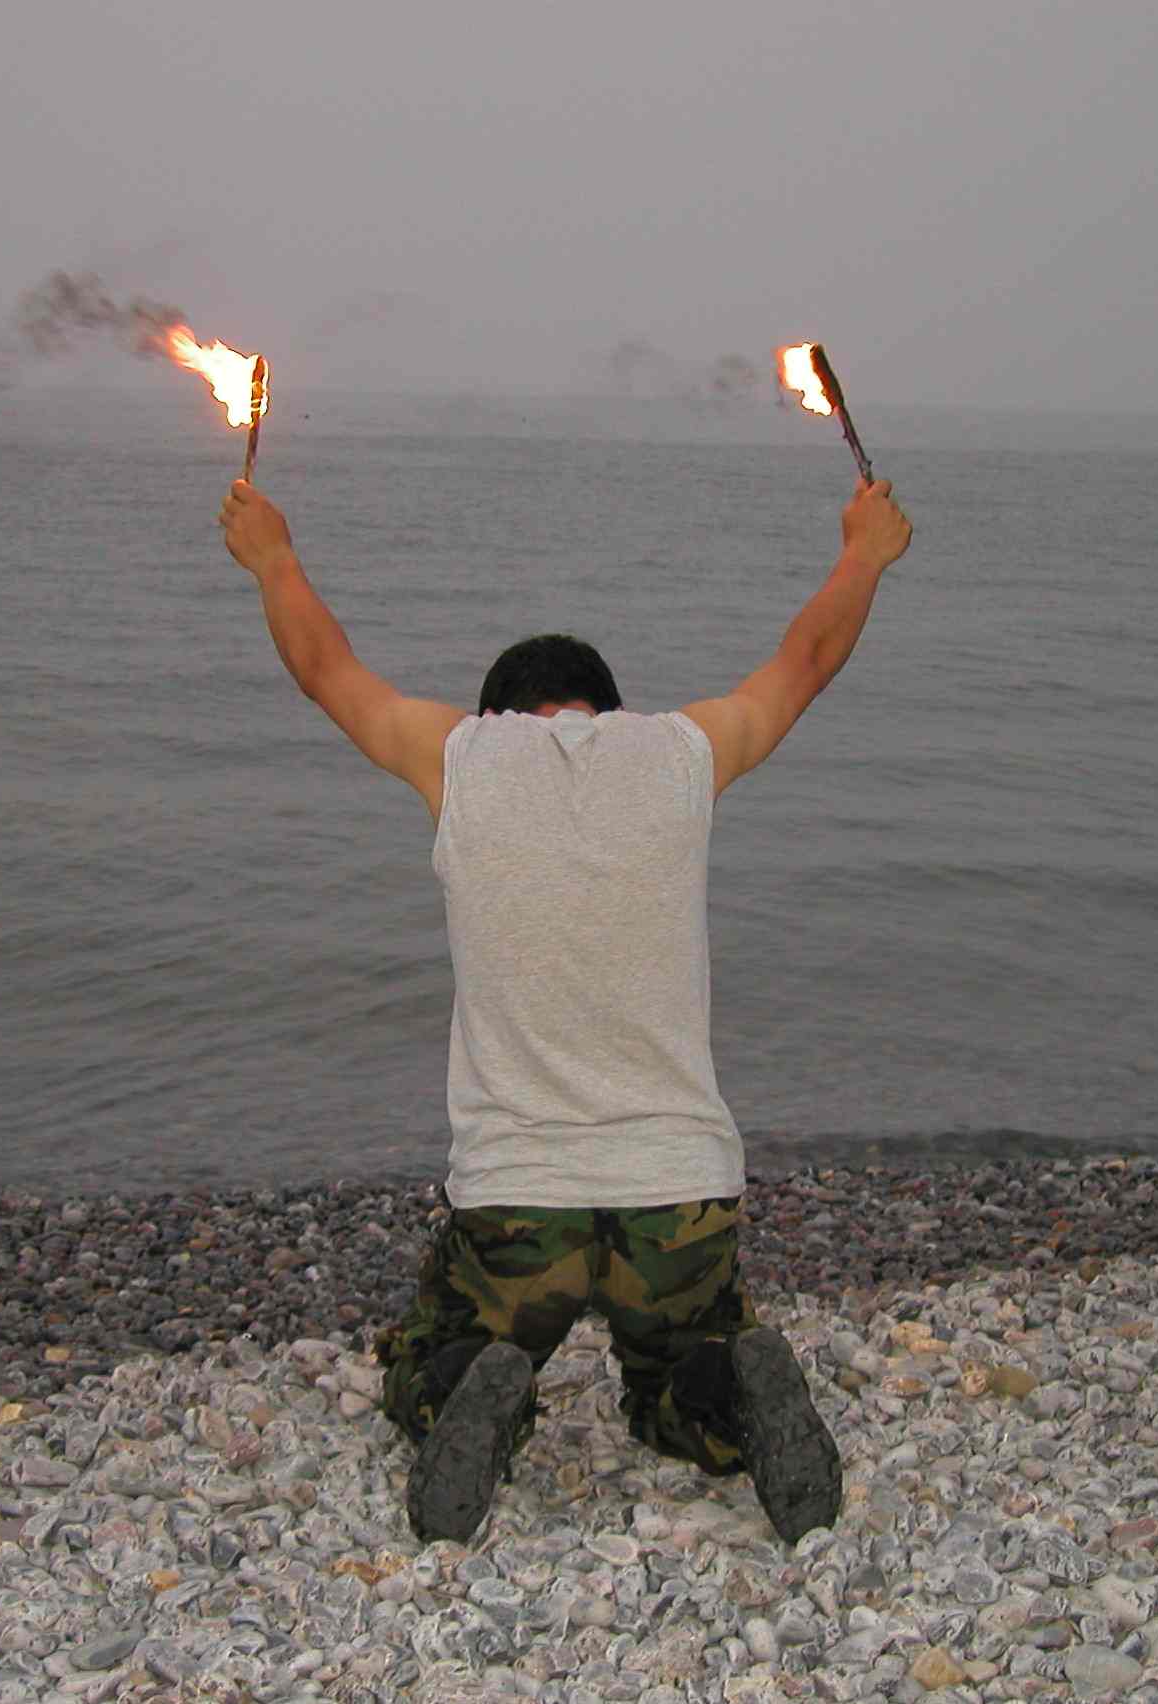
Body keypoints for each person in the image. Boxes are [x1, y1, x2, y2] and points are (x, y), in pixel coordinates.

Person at [217, 472, 913, 1545]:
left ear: (496, 714)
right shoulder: (680, 752)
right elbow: (805, 663)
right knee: (674, 1372)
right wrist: (864, 553)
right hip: (678, 1194)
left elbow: (324, 670)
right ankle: (722, 1390)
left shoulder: (459, 756)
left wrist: (271, 557)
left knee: (428, 1354)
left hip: (518, 1201)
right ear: (607, 710)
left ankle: (472, 1383)